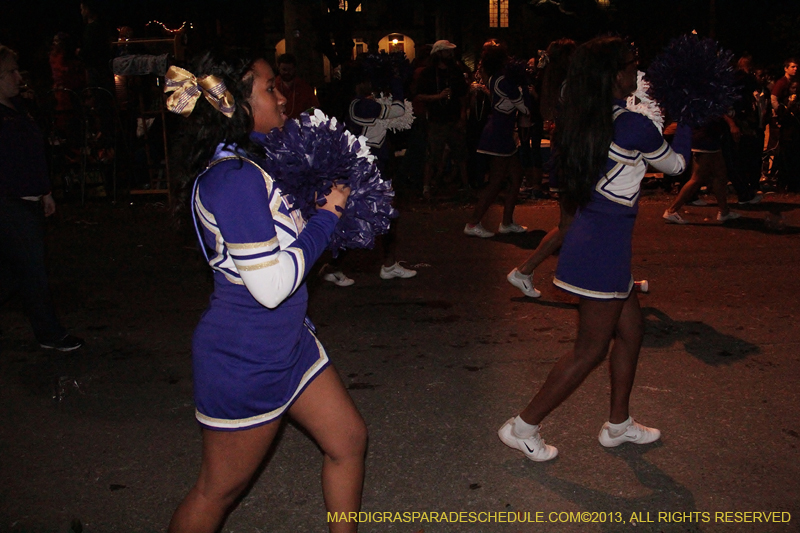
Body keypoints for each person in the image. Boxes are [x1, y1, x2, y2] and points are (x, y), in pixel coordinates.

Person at [166, 52, 366, 533]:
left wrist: (319, 211)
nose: (281, 96)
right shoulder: (231, 179)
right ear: (235, 102)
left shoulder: (252, 163)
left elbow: (288, 249)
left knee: (348, 440)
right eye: (270, 87)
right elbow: (272, 285)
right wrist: (329, 215)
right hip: (246, 357)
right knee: (218, 492)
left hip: (288, 342)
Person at [497, 36, 691, 461]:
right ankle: (524, 425)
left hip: (597, 241)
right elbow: (677, 166)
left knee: (632, 331)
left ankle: (618, 425)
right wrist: (690, 117)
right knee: (590, 349)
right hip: (601, 249)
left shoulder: (584, 118)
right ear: (612, 74)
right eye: (631, 65)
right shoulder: (631, 125)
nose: (637, 73)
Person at [0, 45, 83, 352]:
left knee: (14, 271)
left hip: (28, 198)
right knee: (32, 270)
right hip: (10, 201)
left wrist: (45, 191)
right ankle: (50, 333)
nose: (17, 77)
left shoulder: (17, 109)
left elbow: (34, 155)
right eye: (10, 72)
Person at [507, 38, 576, 297]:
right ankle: (525, 270)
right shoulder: (570, 86)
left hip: (567, 154)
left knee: (577, 224)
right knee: (571, 225)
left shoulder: (556, 83)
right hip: (572, 158)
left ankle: (582, 276)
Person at [464, 43, 529, 238]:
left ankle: (507, 222)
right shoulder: (500, 80)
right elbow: (524, 107)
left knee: (516, 176)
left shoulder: (498, 78)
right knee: (496, 182)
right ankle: (473, 223)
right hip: (498, 135)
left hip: (504, 134)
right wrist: (525, 93)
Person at [415, 40, 470, 198]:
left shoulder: (456, 71)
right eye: (446, 52)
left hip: (453, 118)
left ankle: (466, 186)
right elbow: (419, 95)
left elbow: (462, 95)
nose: (450, 55)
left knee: (461, 154)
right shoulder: (428, 73)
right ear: (438, 53)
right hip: (436, 120)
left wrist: (462, 115)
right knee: (433, 154)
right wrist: (437, 97)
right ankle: (427, 187)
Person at [662, 117, 742, 224]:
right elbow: (716, 111)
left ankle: (724, 211)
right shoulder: (707, 101)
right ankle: (672, 210)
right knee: (697, 178)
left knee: (720, 174)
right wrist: (731, 123)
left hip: (708, 136)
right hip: (705, 137)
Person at [275, 53, 320, 120]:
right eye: (284, 69)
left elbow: (313, 109)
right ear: (279, 68)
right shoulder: (273, 86)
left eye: (290, 69)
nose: (287, 72)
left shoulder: (304, 87)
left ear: (294, 69)